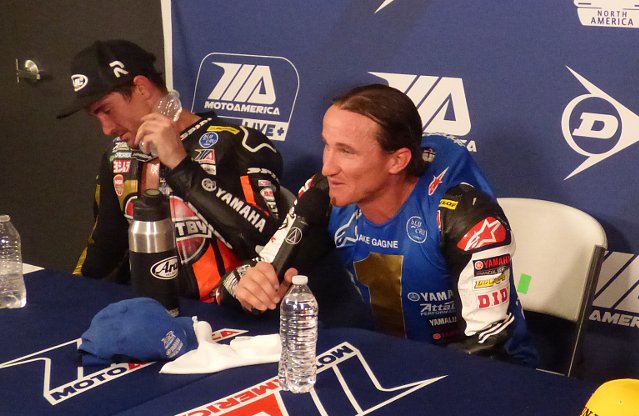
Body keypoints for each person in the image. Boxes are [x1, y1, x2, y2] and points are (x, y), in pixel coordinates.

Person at [229, 84, 537, 366]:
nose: (327, 166)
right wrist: (247, 285)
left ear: (397, 161)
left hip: (487, 377)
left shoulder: (465, 217)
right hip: (392, 364)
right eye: (327, 145)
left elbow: (490, 344)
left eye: (346, 151)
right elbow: (251, 276)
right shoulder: (323, 194)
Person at [58, 40, 284, 301]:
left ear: (141, 88)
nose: (106, 129)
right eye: (95, 117)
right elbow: (104, 247)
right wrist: (67, 295)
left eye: (107, 110)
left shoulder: (240, 144)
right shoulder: (116, 155)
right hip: (144, 314)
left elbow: (270, 244)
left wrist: (180, 165)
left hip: (225, 319)